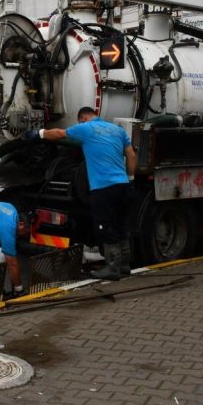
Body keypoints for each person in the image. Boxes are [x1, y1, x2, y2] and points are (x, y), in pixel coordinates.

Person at [26, 107, 137, 280]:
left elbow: (59, 134)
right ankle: (124, 266)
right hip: (122, 185)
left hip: (103, 187)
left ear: (83, 119)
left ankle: (112, 268)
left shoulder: (86, 128)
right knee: (121, 226)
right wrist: (130, 178)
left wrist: (38, 134)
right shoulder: (117, 130)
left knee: (107, 227)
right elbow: (131, 155)